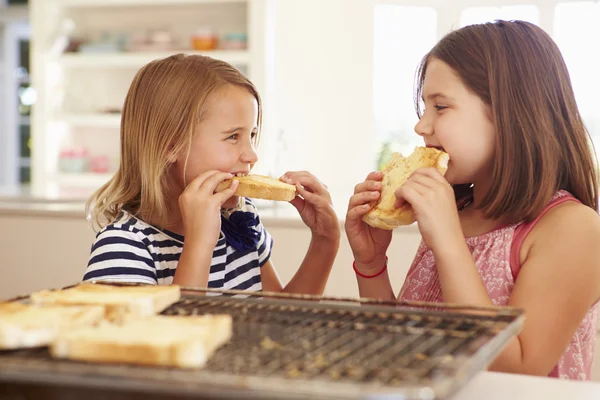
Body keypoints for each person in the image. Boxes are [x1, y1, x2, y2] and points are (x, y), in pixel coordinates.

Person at [345, 20, 600, 380]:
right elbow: (398, 348)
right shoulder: (459, 211)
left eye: (441, 107)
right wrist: (371, 263)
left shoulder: (573, 228)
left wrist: (448, 243)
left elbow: (519, 367)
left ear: (509, 113)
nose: (421, 125)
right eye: (425, 106)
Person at [84, 54, 340, 295]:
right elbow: (171, 338)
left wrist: (325, 241)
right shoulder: (123, 247)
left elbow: (281, 325)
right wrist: (199, 244)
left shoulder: (239, 219)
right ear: (171, 146)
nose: (252, 155)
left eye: (251, 135)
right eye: (232, 136)